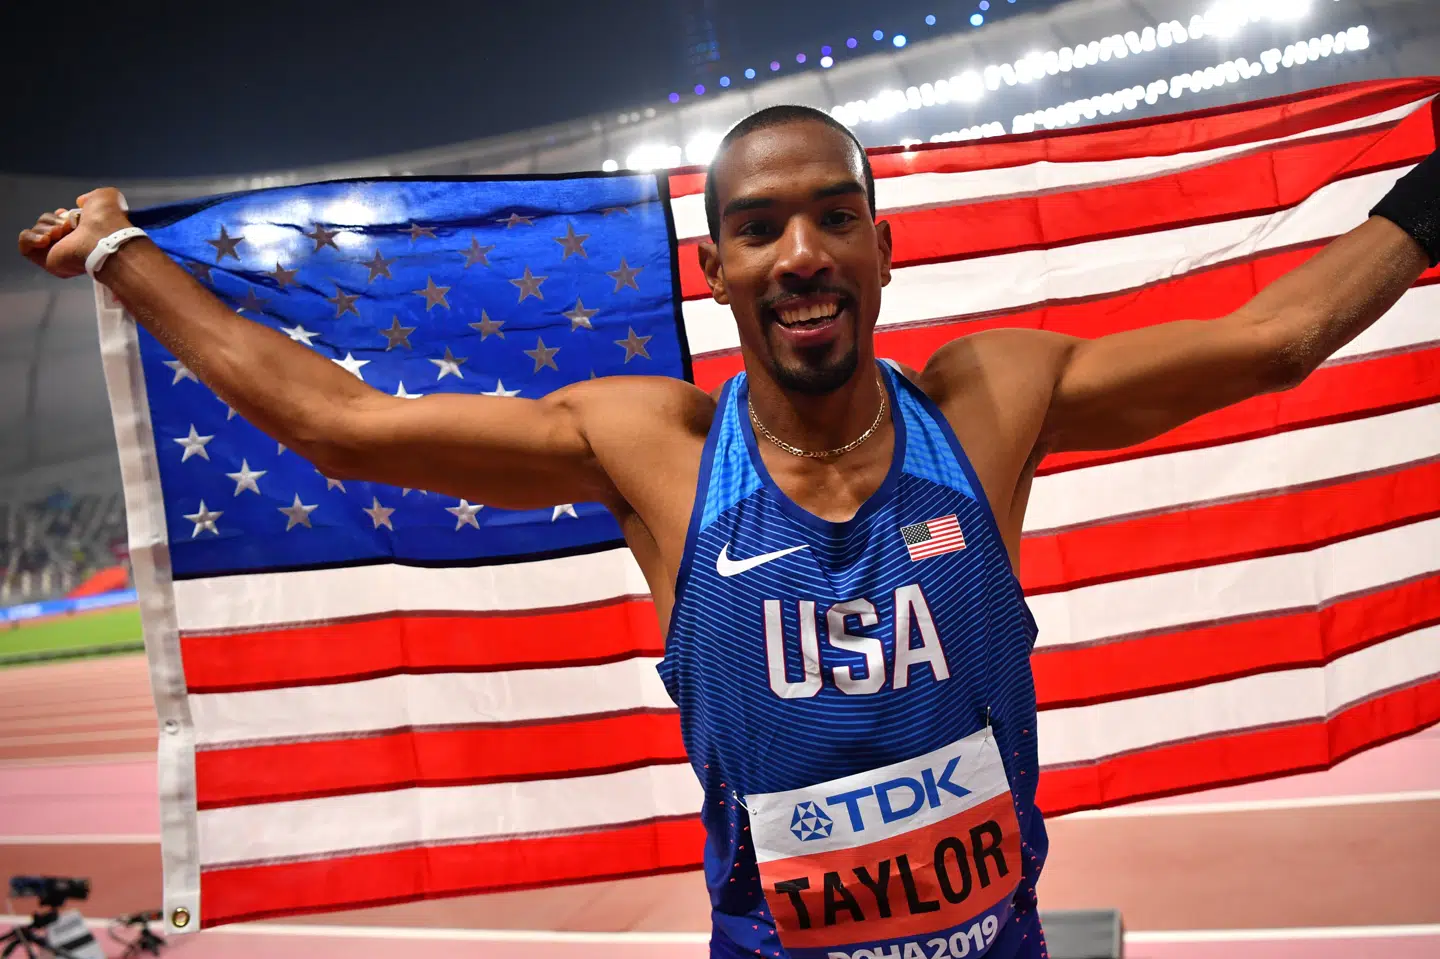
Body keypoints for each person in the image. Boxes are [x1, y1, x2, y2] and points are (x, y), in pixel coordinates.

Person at [17, 105, 1440, 959]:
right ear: (719, 272)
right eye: (761, 229)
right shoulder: (656, 450)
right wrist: (122, 255)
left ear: (888, 247)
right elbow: (342, 422)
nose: (803, 252)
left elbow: (1273, 339)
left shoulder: (990, 404)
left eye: (834, 217)